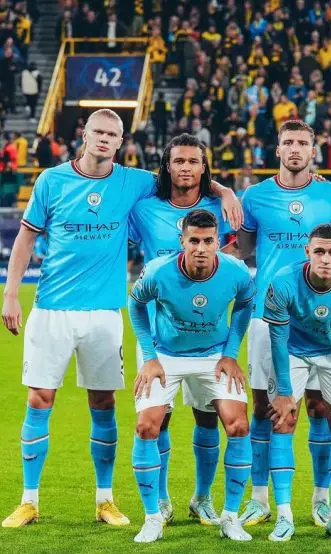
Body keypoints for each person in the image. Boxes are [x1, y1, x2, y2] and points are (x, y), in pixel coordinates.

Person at [1, 108, 241, 529]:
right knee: (39, 400)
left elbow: (186, 174)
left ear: (121, 140)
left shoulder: (134, 182)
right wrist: (10, 294)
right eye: (98, 131)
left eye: (112, 134)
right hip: (54, 308)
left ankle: (106, 500)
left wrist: (225, 191)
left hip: (107, 312)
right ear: (84, 133)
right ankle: (29, 500)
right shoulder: (52, 180)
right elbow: (25, 237)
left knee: (105, 403)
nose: (104, 139)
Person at [237, 119, 331, 529]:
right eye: (288, 142)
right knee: (264, 408)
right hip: (268, 316)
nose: (295, 149)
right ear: (277, 149)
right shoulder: (256, 196)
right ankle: (259, 499)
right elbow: (246, 248)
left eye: (302, 143)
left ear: (312, 150)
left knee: (320, 407)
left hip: (320, 316)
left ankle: (320, 499)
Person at [128, 133, 236, 525]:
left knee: (209, 417)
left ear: (204, 168)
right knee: (158, 418)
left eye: (194, 161)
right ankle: (159, 500)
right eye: (179, 161)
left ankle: (202, 498)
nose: (186, 168)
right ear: (167, 166)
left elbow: (234, 258)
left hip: (207, 335)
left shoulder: (221, 207)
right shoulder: (143, 208)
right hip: (158, 336)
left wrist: (225, 191)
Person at [128, 209, 254, 543]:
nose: (201, 248)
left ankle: (224, 513)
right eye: (194, 240)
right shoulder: (159, 271)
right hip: (164, 354)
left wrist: (231, 353)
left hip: (213, 354)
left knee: (238, 425)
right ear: (181, 241)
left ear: (218, 242)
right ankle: (153, 515)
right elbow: (136, 305)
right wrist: (149, 357)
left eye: (208, 241)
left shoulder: (236, 271)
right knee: (148, 426)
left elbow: (245, 304)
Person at [264, 224, 331, 542]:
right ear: (307, 252)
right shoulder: (283, 282)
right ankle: (284, 517)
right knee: (283, 419)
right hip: (293, 351)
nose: (325, 259)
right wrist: (284, 393)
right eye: (319, 251)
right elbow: (277, 339)